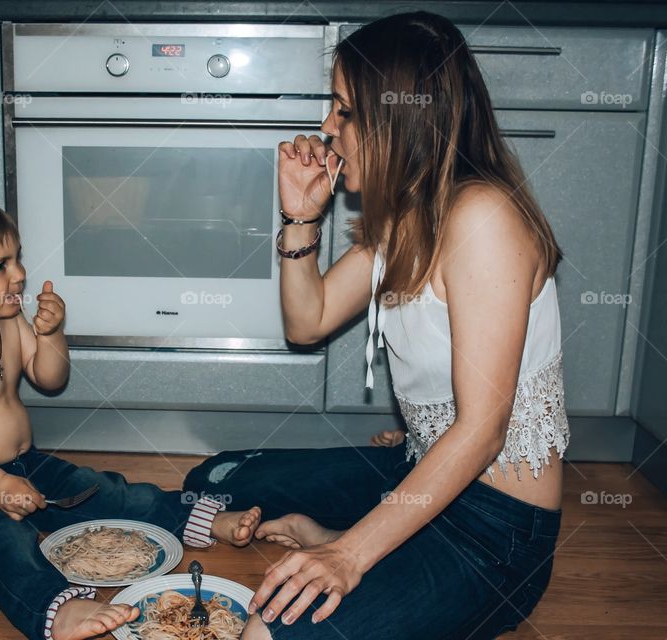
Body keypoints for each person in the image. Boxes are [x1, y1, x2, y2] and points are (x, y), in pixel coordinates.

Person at [184, 11, 569, 639]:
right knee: (218, 479)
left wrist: (348, 556)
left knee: (271, 632)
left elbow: (483, 431)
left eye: (344, 112)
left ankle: (364, 542)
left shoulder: (483, 219)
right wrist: (301, 217)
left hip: (494, 533)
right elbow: (306, 323)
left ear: (403, 117)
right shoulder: (405, 219)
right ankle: (356, 532)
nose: (325, 130)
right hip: (421, 475)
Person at [0, 186, 262, 640]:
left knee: (100, 491)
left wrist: (50, 334)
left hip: (27, 463)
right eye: (1, 266)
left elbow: (49, 378)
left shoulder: (8, 320)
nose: (20, 274)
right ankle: (55, 608)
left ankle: (196, 520)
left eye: (17, 257)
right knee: (4, 540)